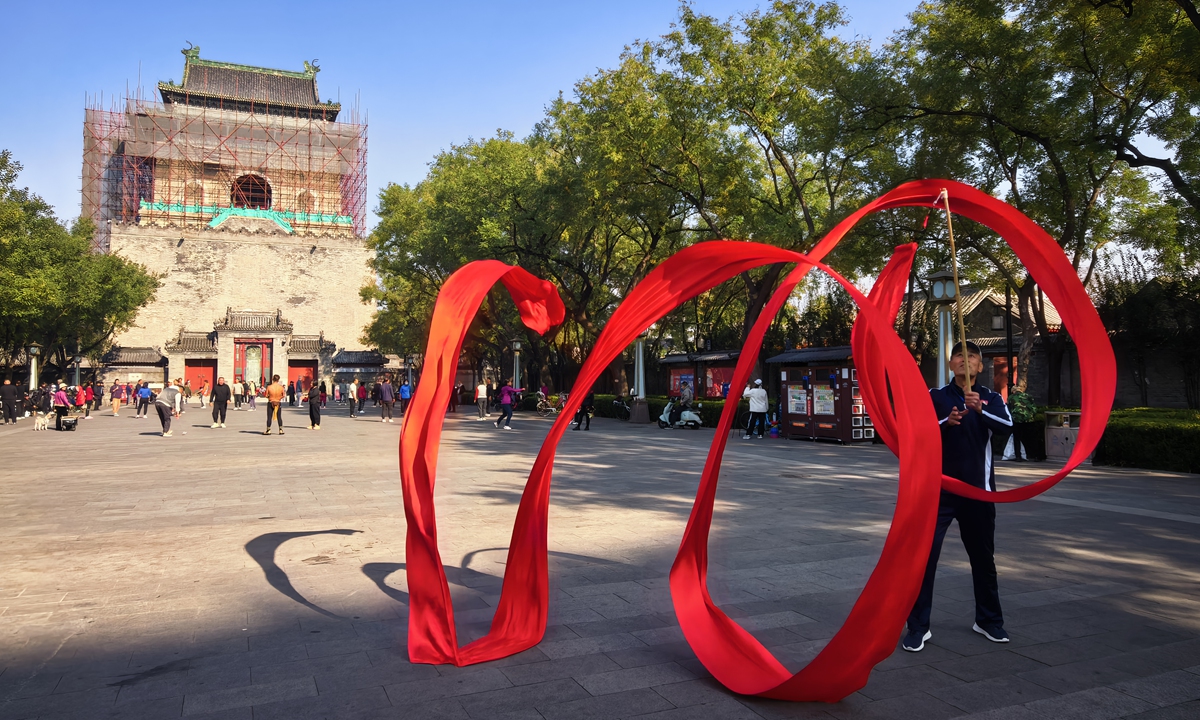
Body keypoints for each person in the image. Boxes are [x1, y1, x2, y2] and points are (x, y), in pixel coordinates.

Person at [903, 340, 1014, 653]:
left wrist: (981, 409)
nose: (965, 361)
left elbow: (1007, 426)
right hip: (939, 491)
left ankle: (989, 620)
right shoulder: (935, 397)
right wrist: (944, 423)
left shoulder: (992, 398)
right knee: (925, 558)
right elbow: (915, 431)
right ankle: (918, 626)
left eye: (973, 358)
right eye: (959, 356)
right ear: (951, 364)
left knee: (983, 559)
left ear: (981, 366)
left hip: (979, 492)